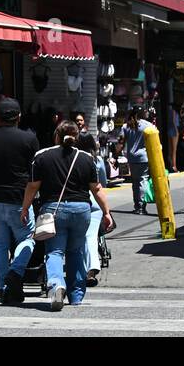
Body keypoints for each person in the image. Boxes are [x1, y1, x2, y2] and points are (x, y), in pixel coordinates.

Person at [21, 121, 113, 311]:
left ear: (56, 135)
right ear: (77, 137)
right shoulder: (86, 158)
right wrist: (106, 212)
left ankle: (56, 285)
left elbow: (32, 187)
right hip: (81, 210)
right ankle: (76, 295)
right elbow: (96, 189)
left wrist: (25, 209)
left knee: (54, 251)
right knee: (76, 251)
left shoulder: (42, 156)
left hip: (53, 210)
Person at [0, 96, 39, 303]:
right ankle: (15, 272)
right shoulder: (29, 139)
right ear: (19, 116)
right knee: (26, 238)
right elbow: (34, 170)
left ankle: (3, 284)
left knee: (0, 244)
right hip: (19, 199)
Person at [77, 131, 107, 286]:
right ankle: (93, 266)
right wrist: (106, 210)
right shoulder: (97, 160)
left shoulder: (71, 159)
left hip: (77, 199)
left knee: (79, 237)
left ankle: (83, 268)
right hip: (94, 201)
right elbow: (102, 184)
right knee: (90, 236)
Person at [122, 108, 156, 215]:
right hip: (144, 158)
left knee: (135, 182)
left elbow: (120, 141)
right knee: (143, 180)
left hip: (132, 158)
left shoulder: (126, 126)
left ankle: (137, 205)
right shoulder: (148, 125)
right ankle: (141, 206)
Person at [166, 102, 181, 173]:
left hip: (169, 130)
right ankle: (174, 166)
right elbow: (174, 122)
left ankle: (171, 165)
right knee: (174, 150)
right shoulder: (174, 112)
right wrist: (176, 131)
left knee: (170, 150)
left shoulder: (168, 112)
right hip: (174, 130)